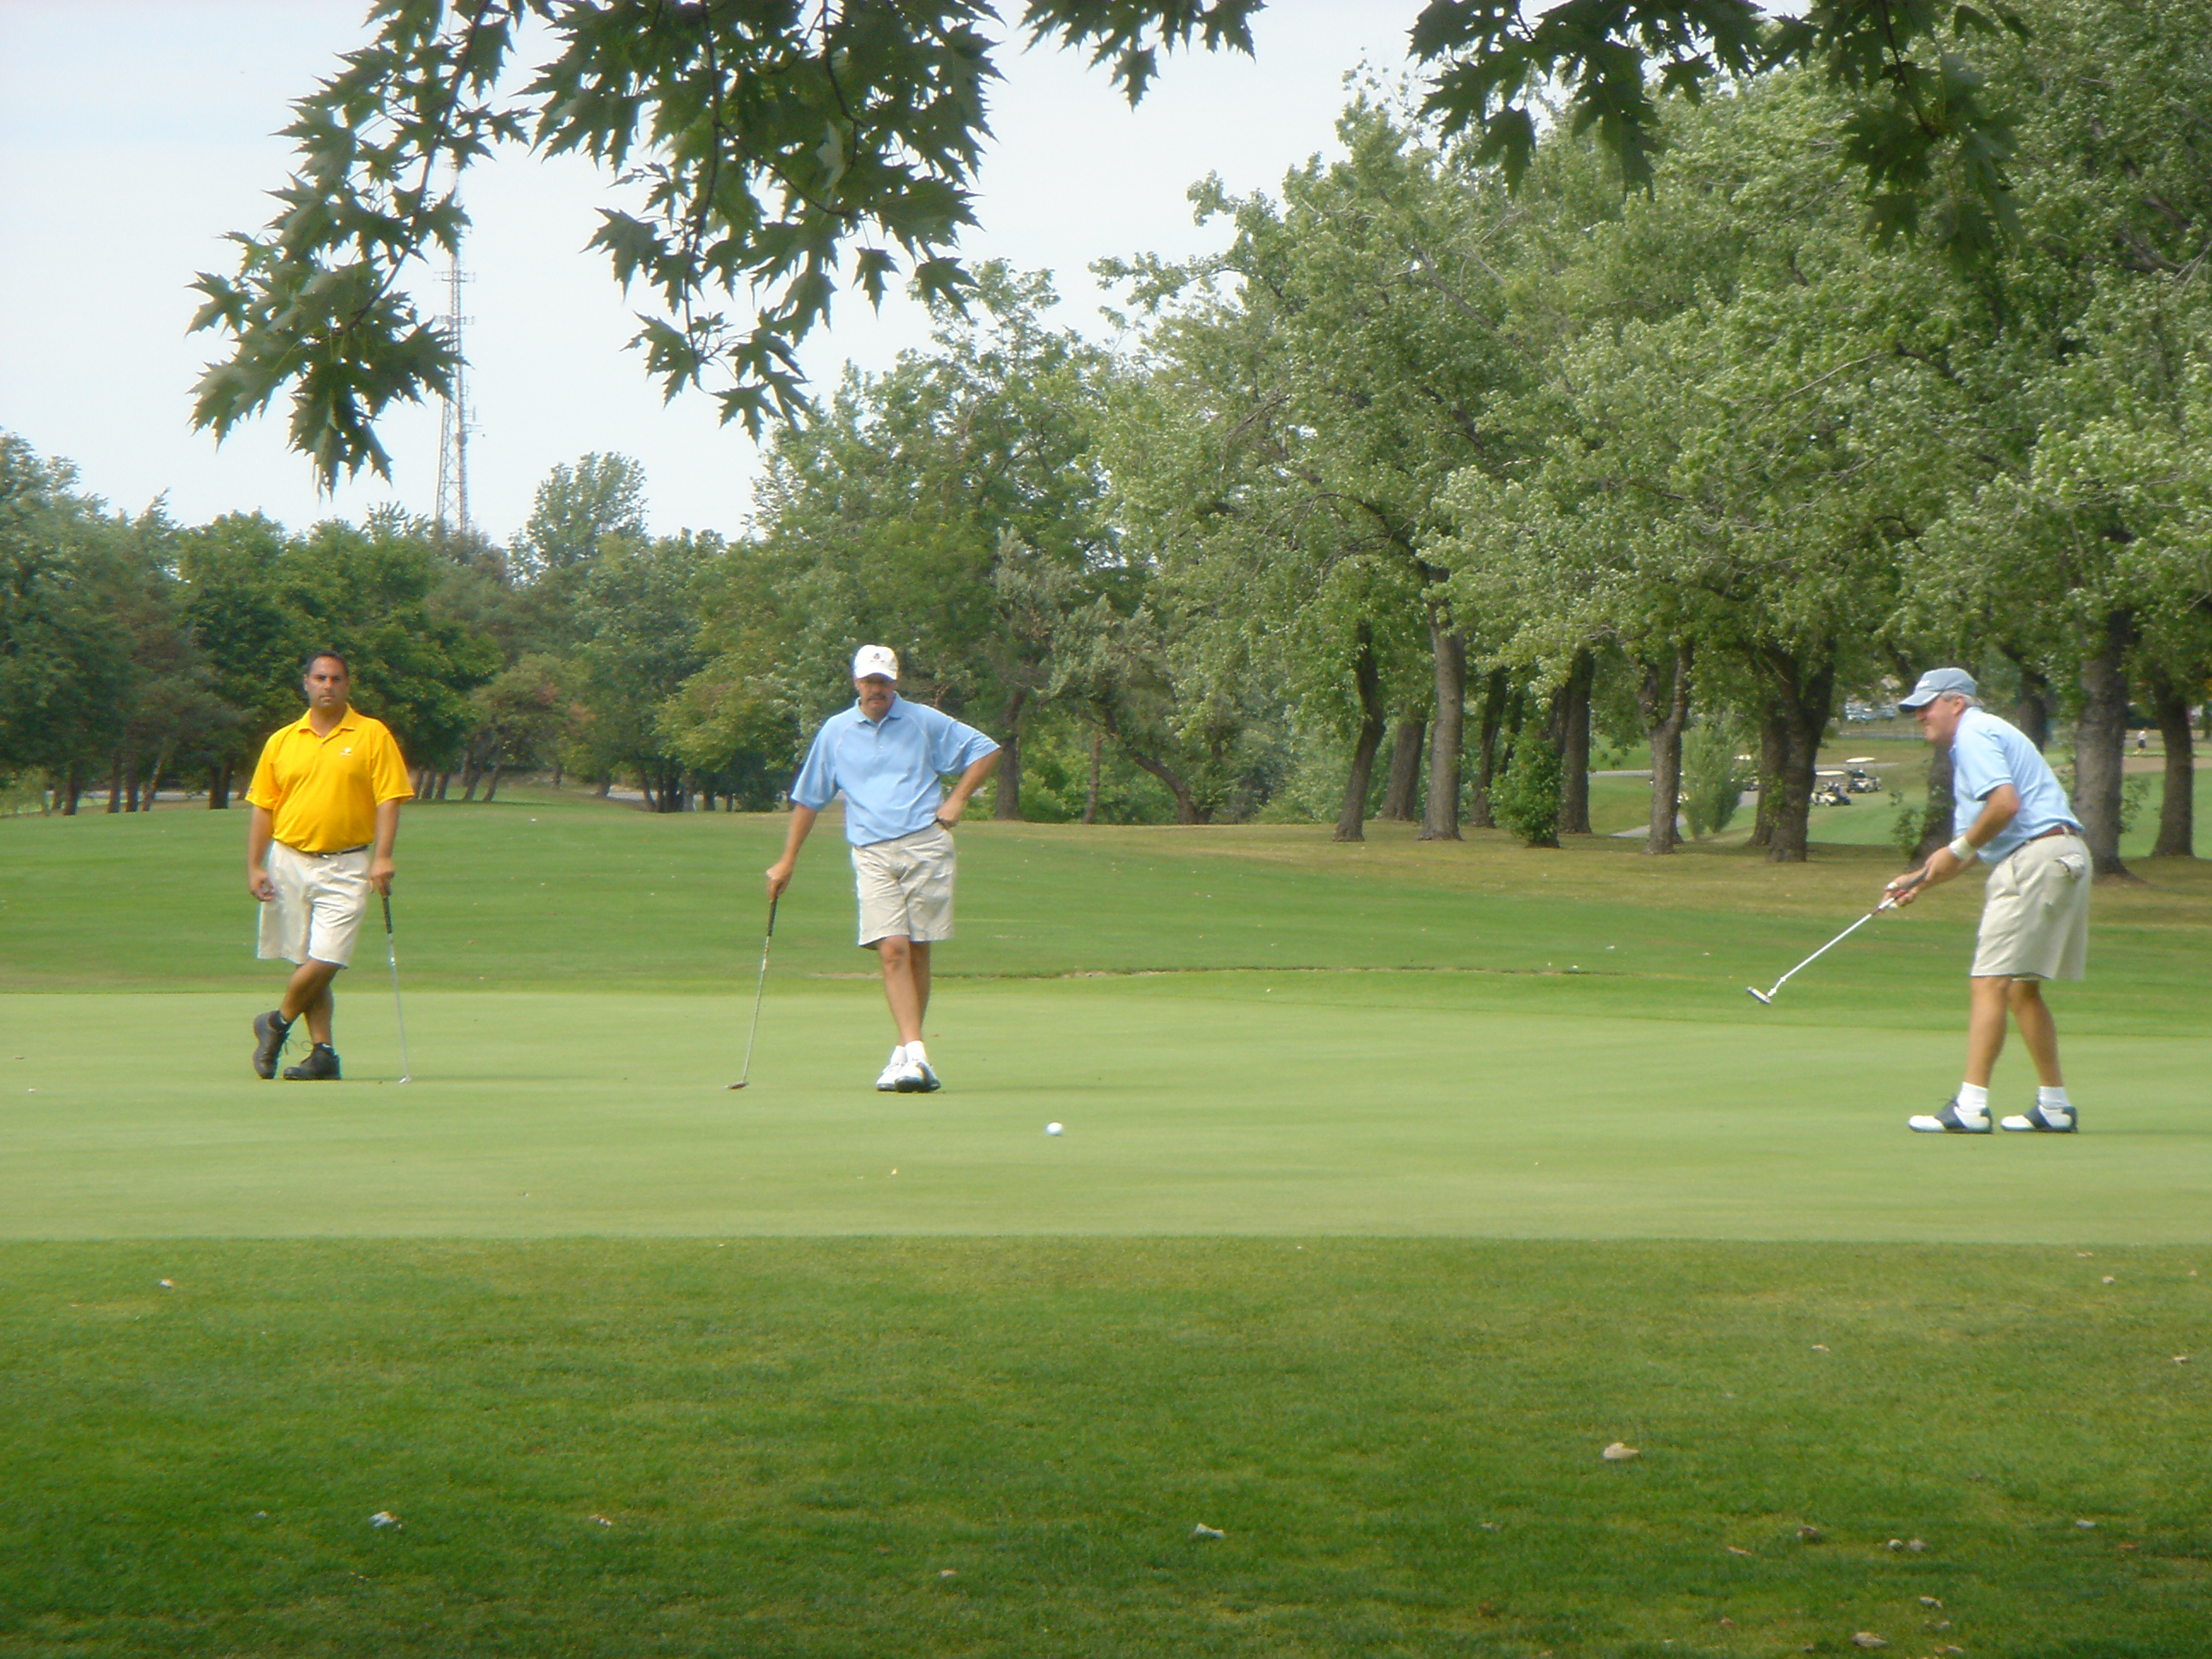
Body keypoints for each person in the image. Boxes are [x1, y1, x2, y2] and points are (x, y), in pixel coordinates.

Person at [765, 646, 999, 1092]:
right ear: (856, 682)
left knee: (918, 949)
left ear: (895, 682)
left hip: (925, 845)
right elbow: (809, 799)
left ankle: (905, 1054)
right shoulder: (835, 731)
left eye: (884, 681)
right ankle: (917, 1055)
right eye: (869, 682)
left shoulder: (923, 721)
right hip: (870, 850)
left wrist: (958, 798)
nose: (877, 690)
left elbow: (986, 750)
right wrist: (787, 860)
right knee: (892, 948)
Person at [1883, 667, 2090, 1134]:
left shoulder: (1975, 733)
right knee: (2020, 986)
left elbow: (2005, 806)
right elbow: (1970, 847)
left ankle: (1971, 1107)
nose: (1919, 716)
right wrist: (1919, 881)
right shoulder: (1981, 740)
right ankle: (2054, 1106)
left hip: (2035, 858)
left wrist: (1956, 850)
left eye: (1926, 705)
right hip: (2061, 856)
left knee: (1990, 981)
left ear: (1957, 702)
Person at [243, 651, 412, 1080]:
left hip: (348, 861)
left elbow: (389, 797)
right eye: (320, 678)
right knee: (306, 961)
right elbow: (264, 806)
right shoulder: (283, 740)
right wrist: (254, 865)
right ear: (306, 683)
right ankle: (324, 1055)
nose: (328, 686)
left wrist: (384, 855)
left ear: (347, 685)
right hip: (288, 859)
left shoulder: (372, 734)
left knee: (328, 957)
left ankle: (275, 1023)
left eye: (337, 679)